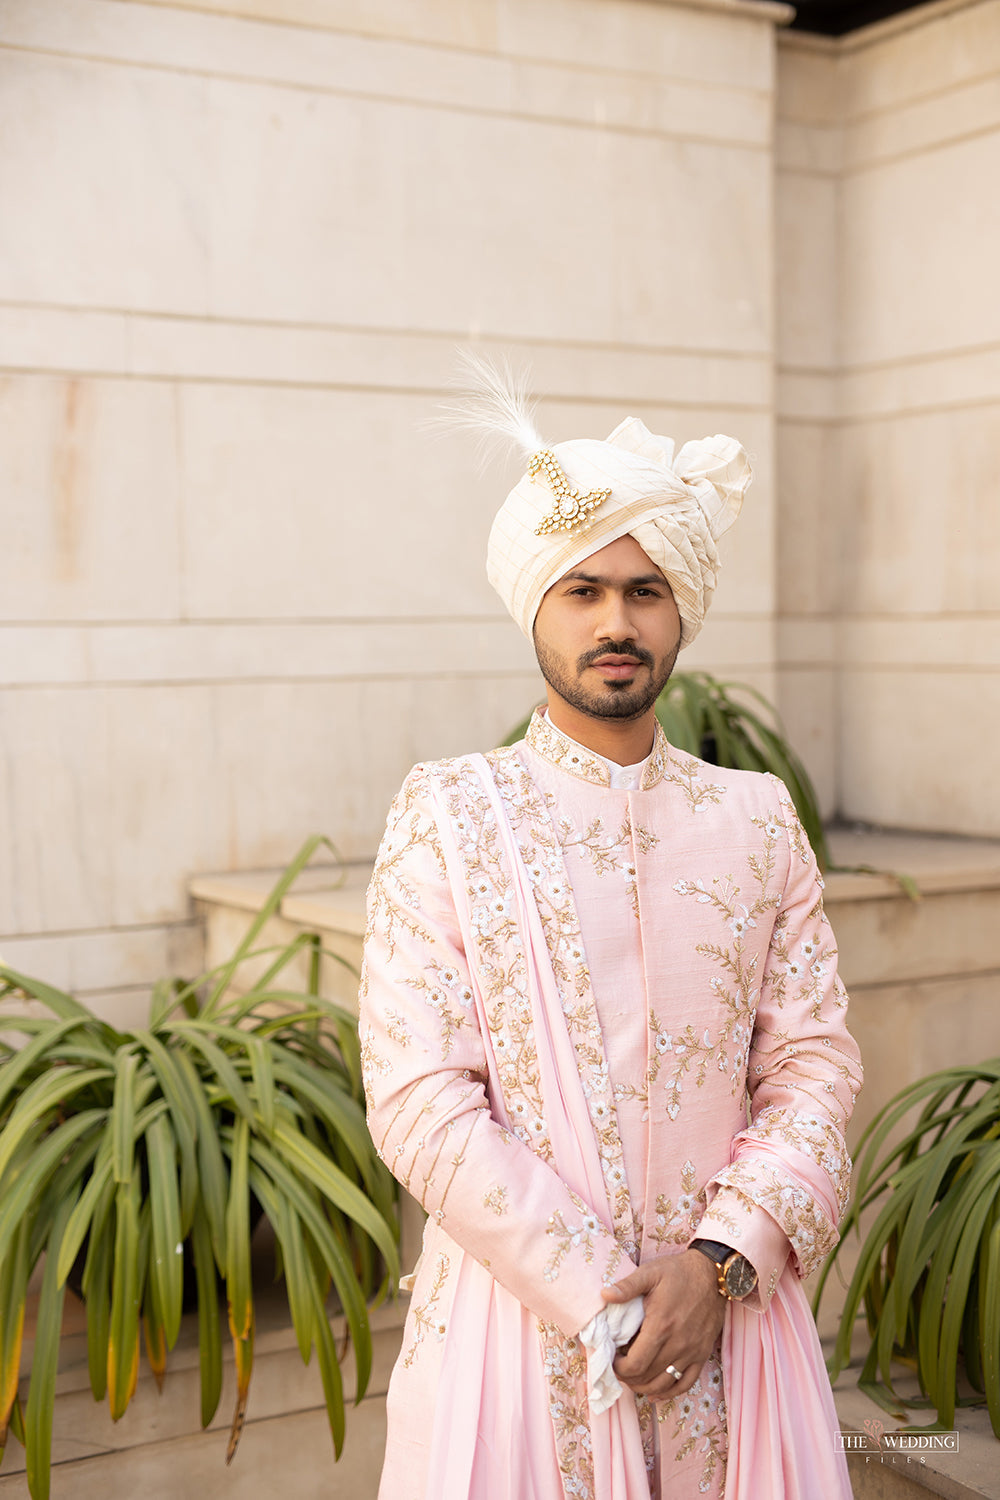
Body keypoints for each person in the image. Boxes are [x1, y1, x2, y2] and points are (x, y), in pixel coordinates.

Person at [359, 362, 862, 1500]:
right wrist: (610, 1289)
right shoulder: (450, 813)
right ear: (534, 604)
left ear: (680, 607)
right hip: (516, 1334)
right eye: (581, 591)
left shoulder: (754, 819)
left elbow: (814, 1068)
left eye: (644, 590)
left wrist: (716, 1262)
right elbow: (417, 1095)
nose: (616, 622)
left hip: (733, 1330)